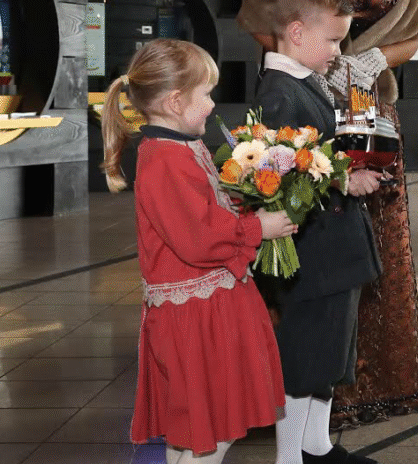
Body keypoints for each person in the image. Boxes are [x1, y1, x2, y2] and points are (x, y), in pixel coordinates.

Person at [238, 0, 418, 429]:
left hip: (372, 114)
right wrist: (309, 66)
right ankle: (301, 405)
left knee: (370, 254)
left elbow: (416, 32)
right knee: (318, 250)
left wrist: (369, 61)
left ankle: (374, 391)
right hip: (309, 111)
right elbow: (259, 13)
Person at [99, 38, 298, 464]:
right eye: (205, 94)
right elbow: (197, 237)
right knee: (209, 433)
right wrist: (256, 228)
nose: (211, 104)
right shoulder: (165, 158)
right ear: (174, 102)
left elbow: (204, 209)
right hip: (196, 314)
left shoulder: (179, 146)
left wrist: (243, 199)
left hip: (208, 305)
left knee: (195, 434)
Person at [253, 0, 386, 464]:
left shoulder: (302, 82)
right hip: (313, 253)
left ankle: (316, 444)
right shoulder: (280, 93)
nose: (337, 50)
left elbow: (318, 152)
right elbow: (282, 174)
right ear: (296, 32)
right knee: (306, 357)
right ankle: (290, 457)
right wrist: (341, 180)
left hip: (334, 248)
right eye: (332, 39)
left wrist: (350, 163)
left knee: (331, 352)